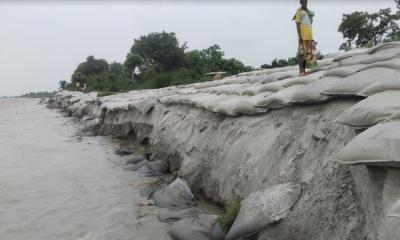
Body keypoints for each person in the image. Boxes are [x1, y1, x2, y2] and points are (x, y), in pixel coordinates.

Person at [293, 0, 317, 76]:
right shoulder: (299, 12)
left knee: (307, 53)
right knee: (301, 54)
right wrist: (300, 36)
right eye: (303, 2)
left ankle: (304, 71)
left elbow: (310, 22)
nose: (305, 3)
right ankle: (301, 71)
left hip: (309, 36)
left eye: (305, 2)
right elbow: (297, 24)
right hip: (303, 36)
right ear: (300, 3)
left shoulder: (308, 12)